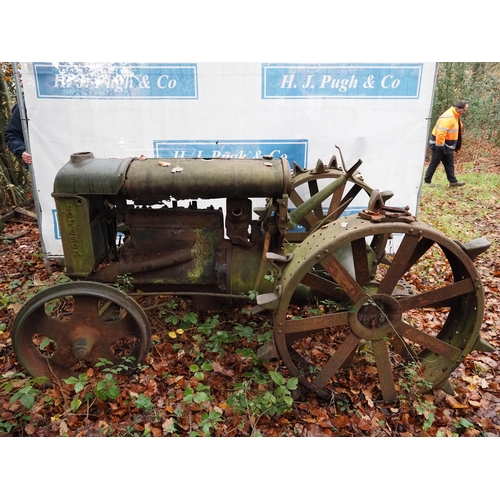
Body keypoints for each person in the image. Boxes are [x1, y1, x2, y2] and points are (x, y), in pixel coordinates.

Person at [424, 100, 468, 187]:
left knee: (449, 163)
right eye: (464, 110)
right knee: (435, 162)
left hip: (447, 146)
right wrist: (440, 146)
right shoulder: (448, 117)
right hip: (440, 144)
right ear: (458, 108)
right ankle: (426, 181)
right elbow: (441, 132)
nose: (464, 112)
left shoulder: (455, 116)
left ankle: (453, 182)